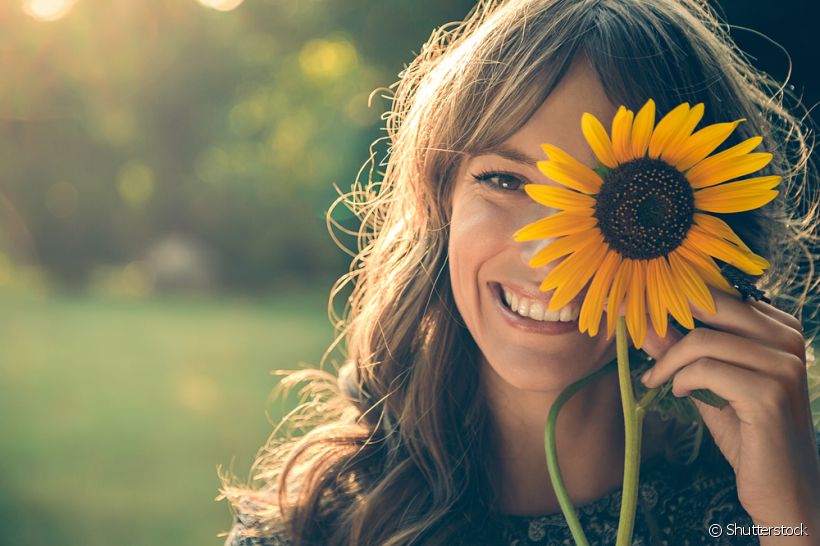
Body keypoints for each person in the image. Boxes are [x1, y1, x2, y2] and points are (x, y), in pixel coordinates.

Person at [219, 0, 820, 544]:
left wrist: (793, 521)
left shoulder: (759, 511)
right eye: (505, 180)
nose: (548, 256)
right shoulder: (318, 529)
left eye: (613, 198)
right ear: (440, 202)